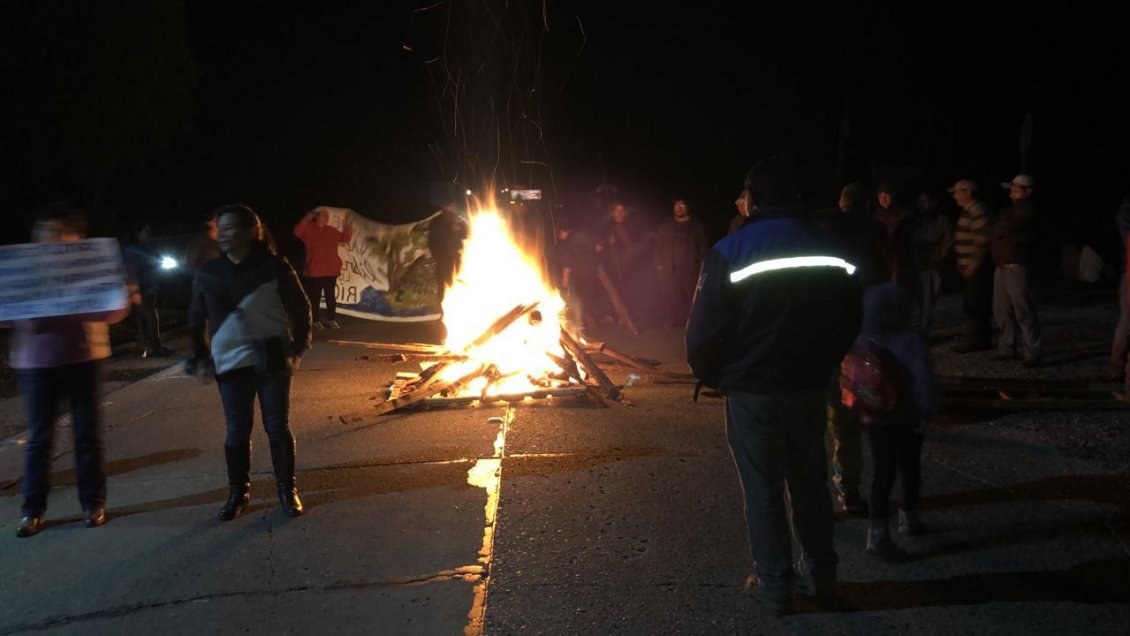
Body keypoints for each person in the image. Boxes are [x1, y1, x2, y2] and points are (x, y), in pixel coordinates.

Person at [687, 156, 862, 615]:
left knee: (763, 489)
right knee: (810, 482)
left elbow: (702, 330)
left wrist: (713, 375)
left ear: (755, 199)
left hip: (754, 391)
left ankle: (775, 585)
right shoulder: (830, 247)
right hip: (808, 387)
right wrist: (825, 361)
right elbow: (850, 316)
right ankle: (822, 579)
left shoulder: (731, 250)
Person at [3, 204, 130, 537]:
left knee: (87, 436)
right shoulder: (23, 271)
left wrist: (117, 294)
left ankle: (92, 504)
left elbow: (114, 311)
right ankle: (32, 511)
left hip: (85, 358)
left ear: (76, 238)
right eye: (46, 234)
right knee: (39, 440)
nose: (53, 240)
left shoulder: (90, 268)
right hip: (36, 363)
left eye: (61, 234)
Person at [187, 204, 313, 521]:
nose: (224, 234)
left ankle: (287, 490)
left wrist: (298, 349)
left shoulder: (274, 267)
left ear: (250, 231)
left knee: (276, 426)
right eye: (221, 228)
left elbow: (301, 310)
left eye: (231, 228)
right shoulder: (209, 272)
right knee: (237, 430)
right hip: (229, 362)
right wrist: (201, 355)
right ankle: (238, 494)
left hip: (272, 358)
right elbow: (195, 317)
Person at [844, 283, 937, 562]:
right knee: (910, 467)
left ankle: (878, 533)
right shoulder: (910, 341)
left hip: (876, 418)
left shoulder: (862, 339)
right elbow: (923, 381)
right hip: (907, 417)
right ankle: (909, 518)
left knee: (882, 474)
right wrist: (929, 410)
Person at [987, 174, 1042, 366]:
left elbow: (1003, 227)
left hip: (1017, 265)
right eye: (1012, 188)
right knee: (1001, 309)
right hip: (1002, 265)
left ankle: (1032, 352)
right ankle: (1007, 347)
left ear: (1028, 191)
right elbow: (996, 227)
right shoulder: (1011, 211)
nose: (1012, 190)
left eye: (1016, 188)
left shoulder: (1028, 211)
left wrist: (998, 228)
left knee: (1023, 310)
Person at [949, 179, 994, 352]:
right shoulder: (969, 210)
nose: (955, 196)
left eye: (957, 192)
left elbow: (982, 242)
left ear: (967, 192)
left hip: (977, 269)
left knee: (975, 304)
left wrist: (972, 265)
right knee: (974, 303)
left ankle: (976, 340)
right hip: (971, 268)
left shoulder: (977, 210)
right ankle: (980, 339)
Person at [901, 191, 954, 331]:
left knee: (928, 302)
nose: (921, 204)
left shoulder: (941, 220)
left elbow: (947, 242)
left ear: (934, 203)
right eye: (920, 201)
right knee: (910, 301)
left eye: (925, 201)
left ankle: (923, 331)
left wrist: (938, 257)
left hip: (931, 266)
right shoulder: (910, 220)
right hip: (912, 266)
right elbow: (903, 241)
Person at [293, 207, 352, 330]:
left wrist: (347, 225)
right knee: (315, 298)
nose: (326, 218)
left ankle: (331, 320)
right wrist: (306, 219)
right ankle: (316, 321)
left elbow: (344, 239)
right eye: (323, 216)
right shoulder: (309, 229)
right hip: (315, 271)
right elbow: (297, 232)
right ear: (317, 217)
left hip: (331, 270)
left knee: (330, 297)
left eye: (327, 216)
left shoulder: (331, 231)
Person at [652, 199, 707, 327]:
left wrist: (701, 265)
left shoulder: (695, 225)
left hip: (690, 268)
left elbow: (703, 246)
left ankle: (693, 322)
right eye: (676, 205)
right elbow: (658, 245)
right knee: (671, 295)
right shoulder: (667, 224)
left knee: (690, 296)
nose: (679, 208)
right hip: (669, 268)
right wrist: (658, 264)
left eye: (682, 205)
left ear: (687, 207)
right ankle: (673, 320)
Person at [123, 222, 173, 357]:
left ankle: (141, 348)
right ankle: (156, 348)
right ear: (137, 234)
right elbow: (130, 271)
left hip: (149, 289)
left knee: (143, 319)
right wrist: (135, 291)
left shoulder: (147, 248)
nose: (149, 234)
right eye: (146, 231)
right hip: (141, 290)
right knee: (151, 318)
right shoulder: (132, 250)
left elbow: (156, 261)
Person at [427, 197, 468, 305]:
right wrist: (437, 254)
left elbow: (465, 235)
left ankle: (455, 304)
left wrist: (459, 229)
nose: (452, 207)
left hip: (455, 255)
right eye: (450, 205)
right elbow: (433, 239)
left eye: (453, 205)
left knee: (455, 278)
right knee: (443, 282)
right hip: (443, 257)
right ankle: (440, 305)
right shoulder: (437, 221)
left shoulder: (457, 219)